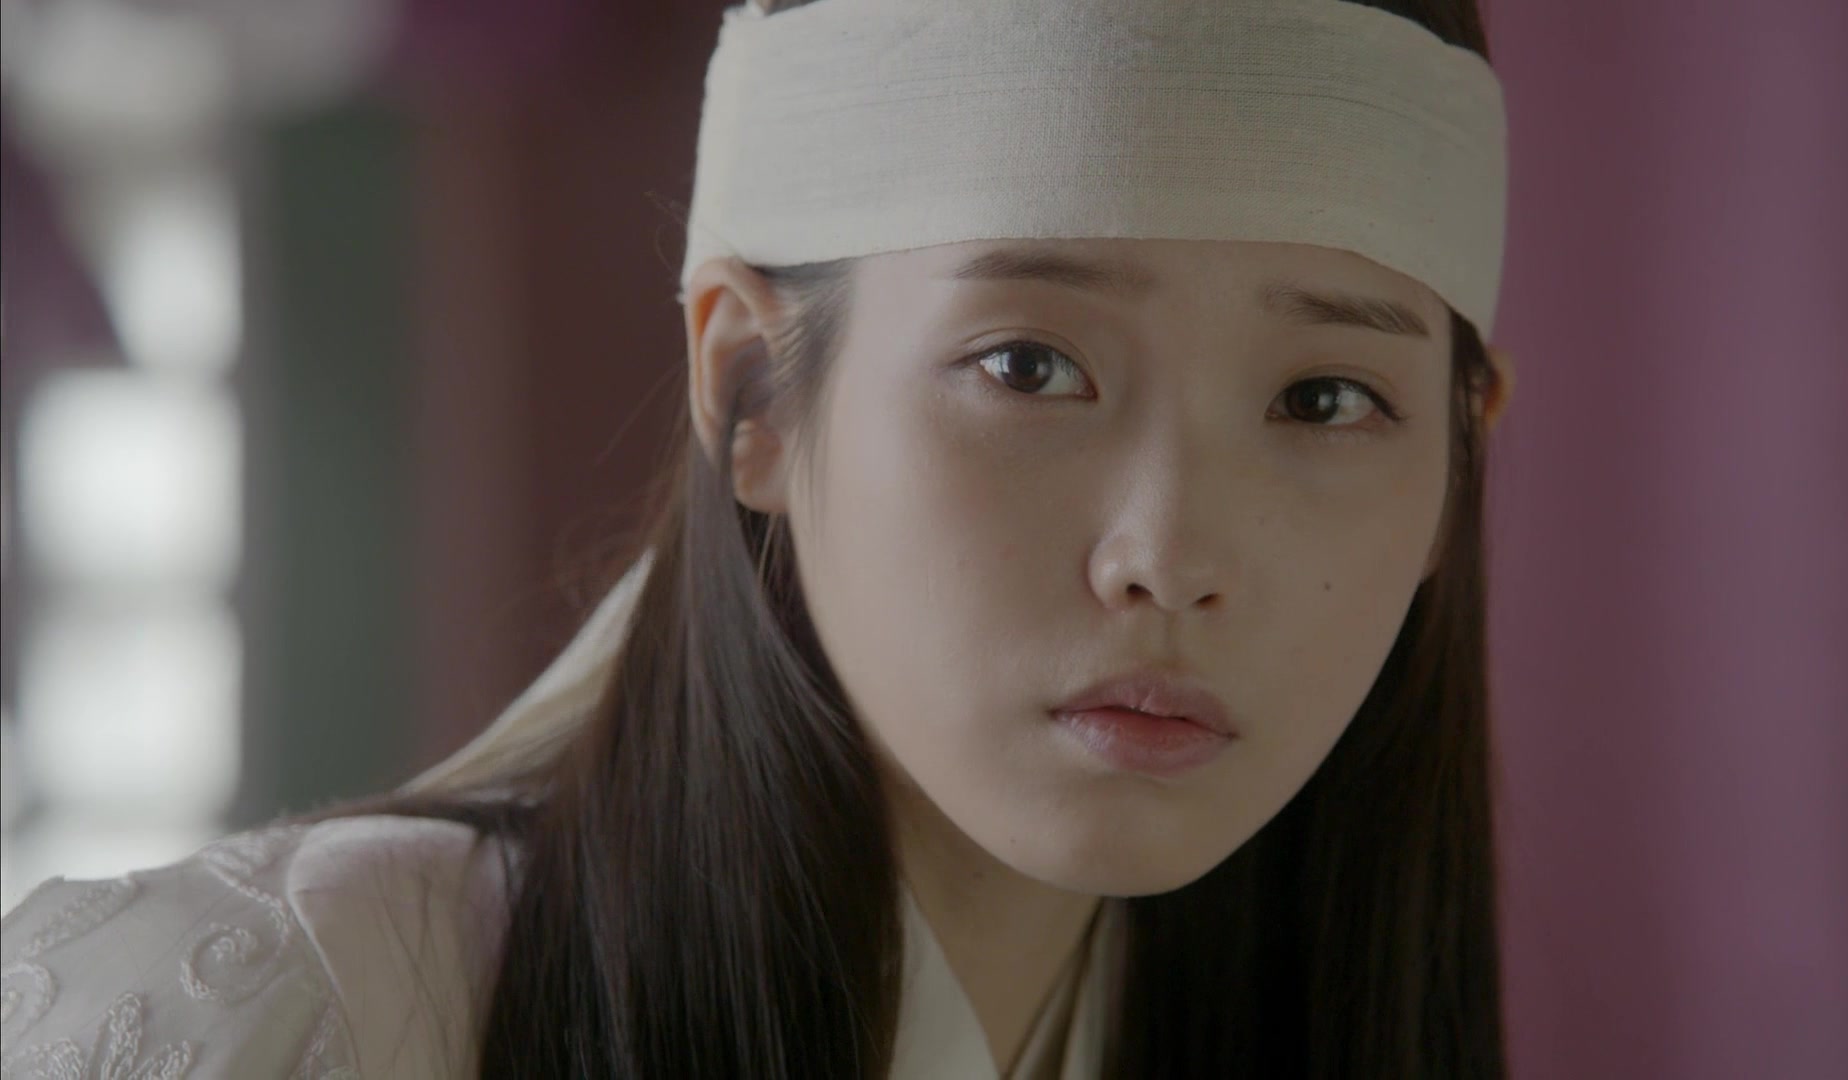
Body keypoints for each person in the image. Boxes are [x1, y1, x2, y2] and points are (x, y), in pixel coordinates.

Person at [0, 0, 1519, 1075]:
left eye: (1328, 398)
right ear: (752, 389)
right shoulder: (282, 1018)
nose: (1168, 556)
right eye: (1029, 366)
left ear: (1460, 455)